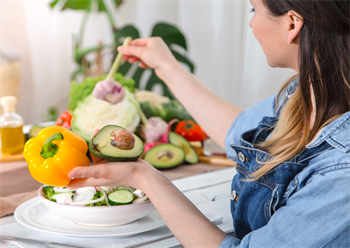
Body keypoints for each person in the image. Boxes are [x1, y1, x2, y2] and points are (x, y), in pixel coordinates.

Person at [67, 0, 350, 246]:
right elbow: (237, 130)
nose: (251, 23)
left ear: (292, 24)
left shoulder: (343, 171)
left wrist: (144, 177)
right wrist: (165, 66)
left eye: (254, 9)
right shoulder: (306, 95)